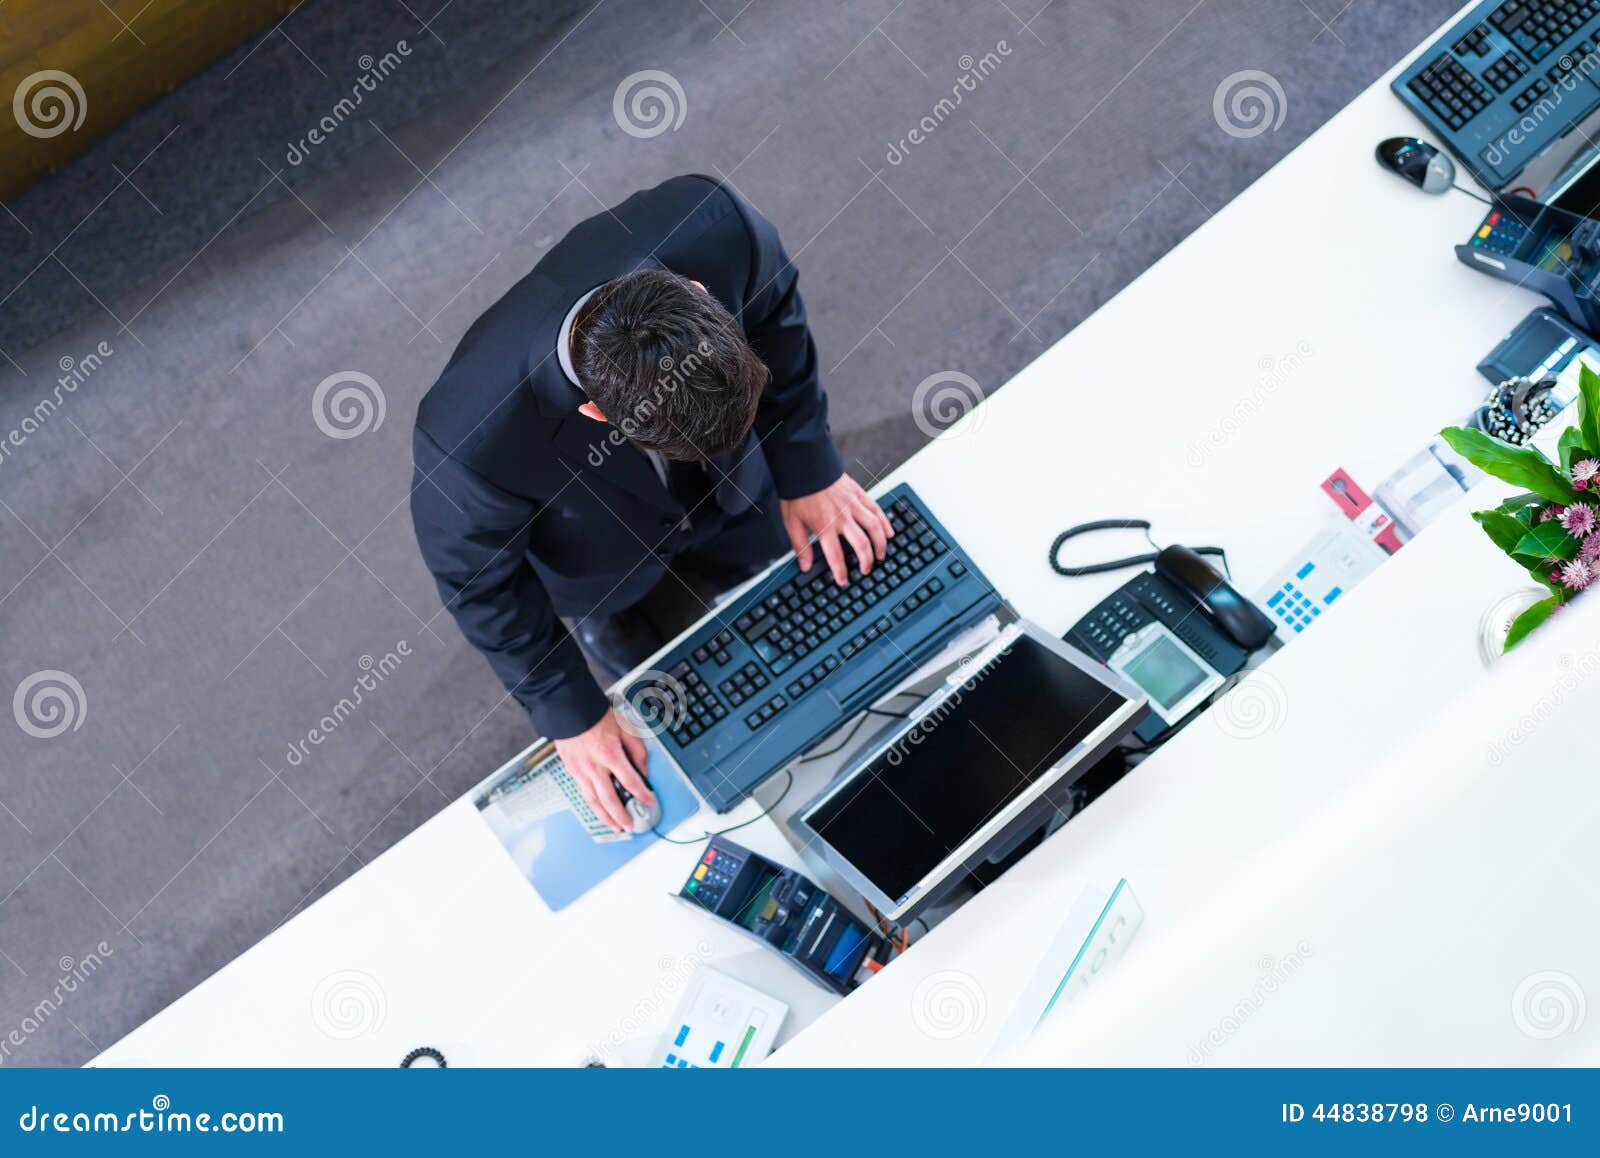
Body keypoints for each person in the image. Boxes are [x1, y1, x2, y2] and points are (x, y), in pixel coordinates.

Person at [410, 174, 892, 833]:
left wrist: (807, 470)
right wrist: (571, 713)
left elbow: (778, 319)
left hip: (735, 494)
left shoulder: (717, 225)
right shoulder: (467, 437)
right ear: (597, 414)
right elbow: (477, 585)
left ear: (700, 295)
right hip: (605, 571)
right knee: (702, 746)